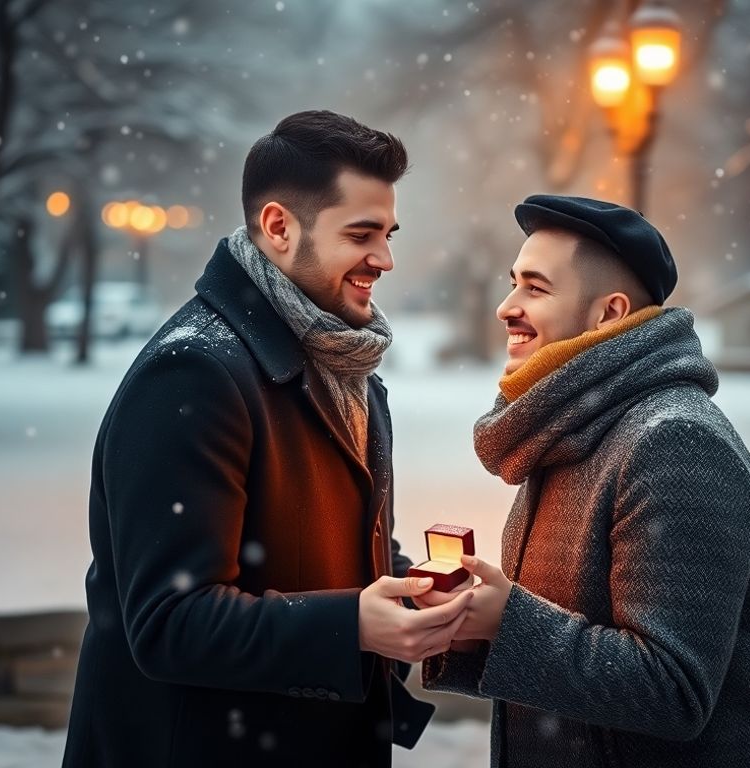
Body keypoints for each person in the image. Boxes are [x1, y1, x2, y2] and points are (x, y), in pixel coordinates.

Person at [62, 110, 471, 767]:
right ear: (279, 227)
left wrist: (414, 588)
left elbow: (320, 551)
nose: (385, 259)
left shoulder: (342, 365)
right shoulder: (194, 373)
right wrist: (355, 626)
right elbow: (171, 623)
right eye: (362, 234)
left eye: (389, 233)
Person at [419, 195, 750, 767]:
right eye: (512, 282)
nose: (506, 306)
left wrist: (509, 621)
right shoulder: (574, 427)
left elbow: (674, 691)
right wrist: (473, 627)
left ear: (609, 313)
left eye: (535, 288)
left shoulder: (674, 443)